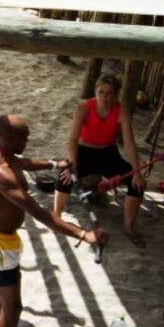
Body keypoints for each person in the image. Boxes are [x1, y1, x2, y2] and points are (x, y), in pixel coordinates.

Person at [0, 114, 107, 327]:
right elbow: (43, 215)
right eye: (23, 137)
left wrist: (52, 163)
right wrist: (85, 234)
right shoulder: (1, 172)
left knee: (6, 292)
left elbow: (22, 162)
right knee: (14, 307)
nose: (27, 140)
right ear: (7, 139)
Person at [54, 74, 145, 245]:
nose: (104, 96)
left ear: (116, 95)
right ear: (95, 92)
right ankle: (57, 218)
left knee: (137, 184)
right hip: (84, 152)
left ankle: (128, 227)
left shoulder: (121, 111)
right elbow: (73, 139)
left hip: (108, 153)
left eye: (109, 93)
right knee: (64, 178)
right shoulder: (84, 107)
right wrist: (72, 164)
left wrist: (137, 171)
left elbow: (129, 144)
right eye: (101, 92)